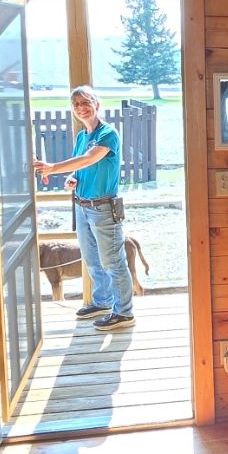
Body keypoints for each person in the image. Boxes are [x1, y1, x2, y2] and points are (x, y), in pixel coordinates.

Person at [33, 85, 133, 331]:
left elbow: (90, 158)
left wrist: (52, 168)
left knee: (113, 261)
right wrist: (72, 179)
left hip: (103, 209)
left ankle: (124, 312)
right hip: (82, 206)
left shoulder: (108, 134)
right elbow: (83, 167)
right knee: (91, 259)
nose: (81, 108)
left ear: (97, 104)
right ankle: (102, 302)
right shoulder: (81, 137)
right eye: (76, 104)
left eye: (86, 102)